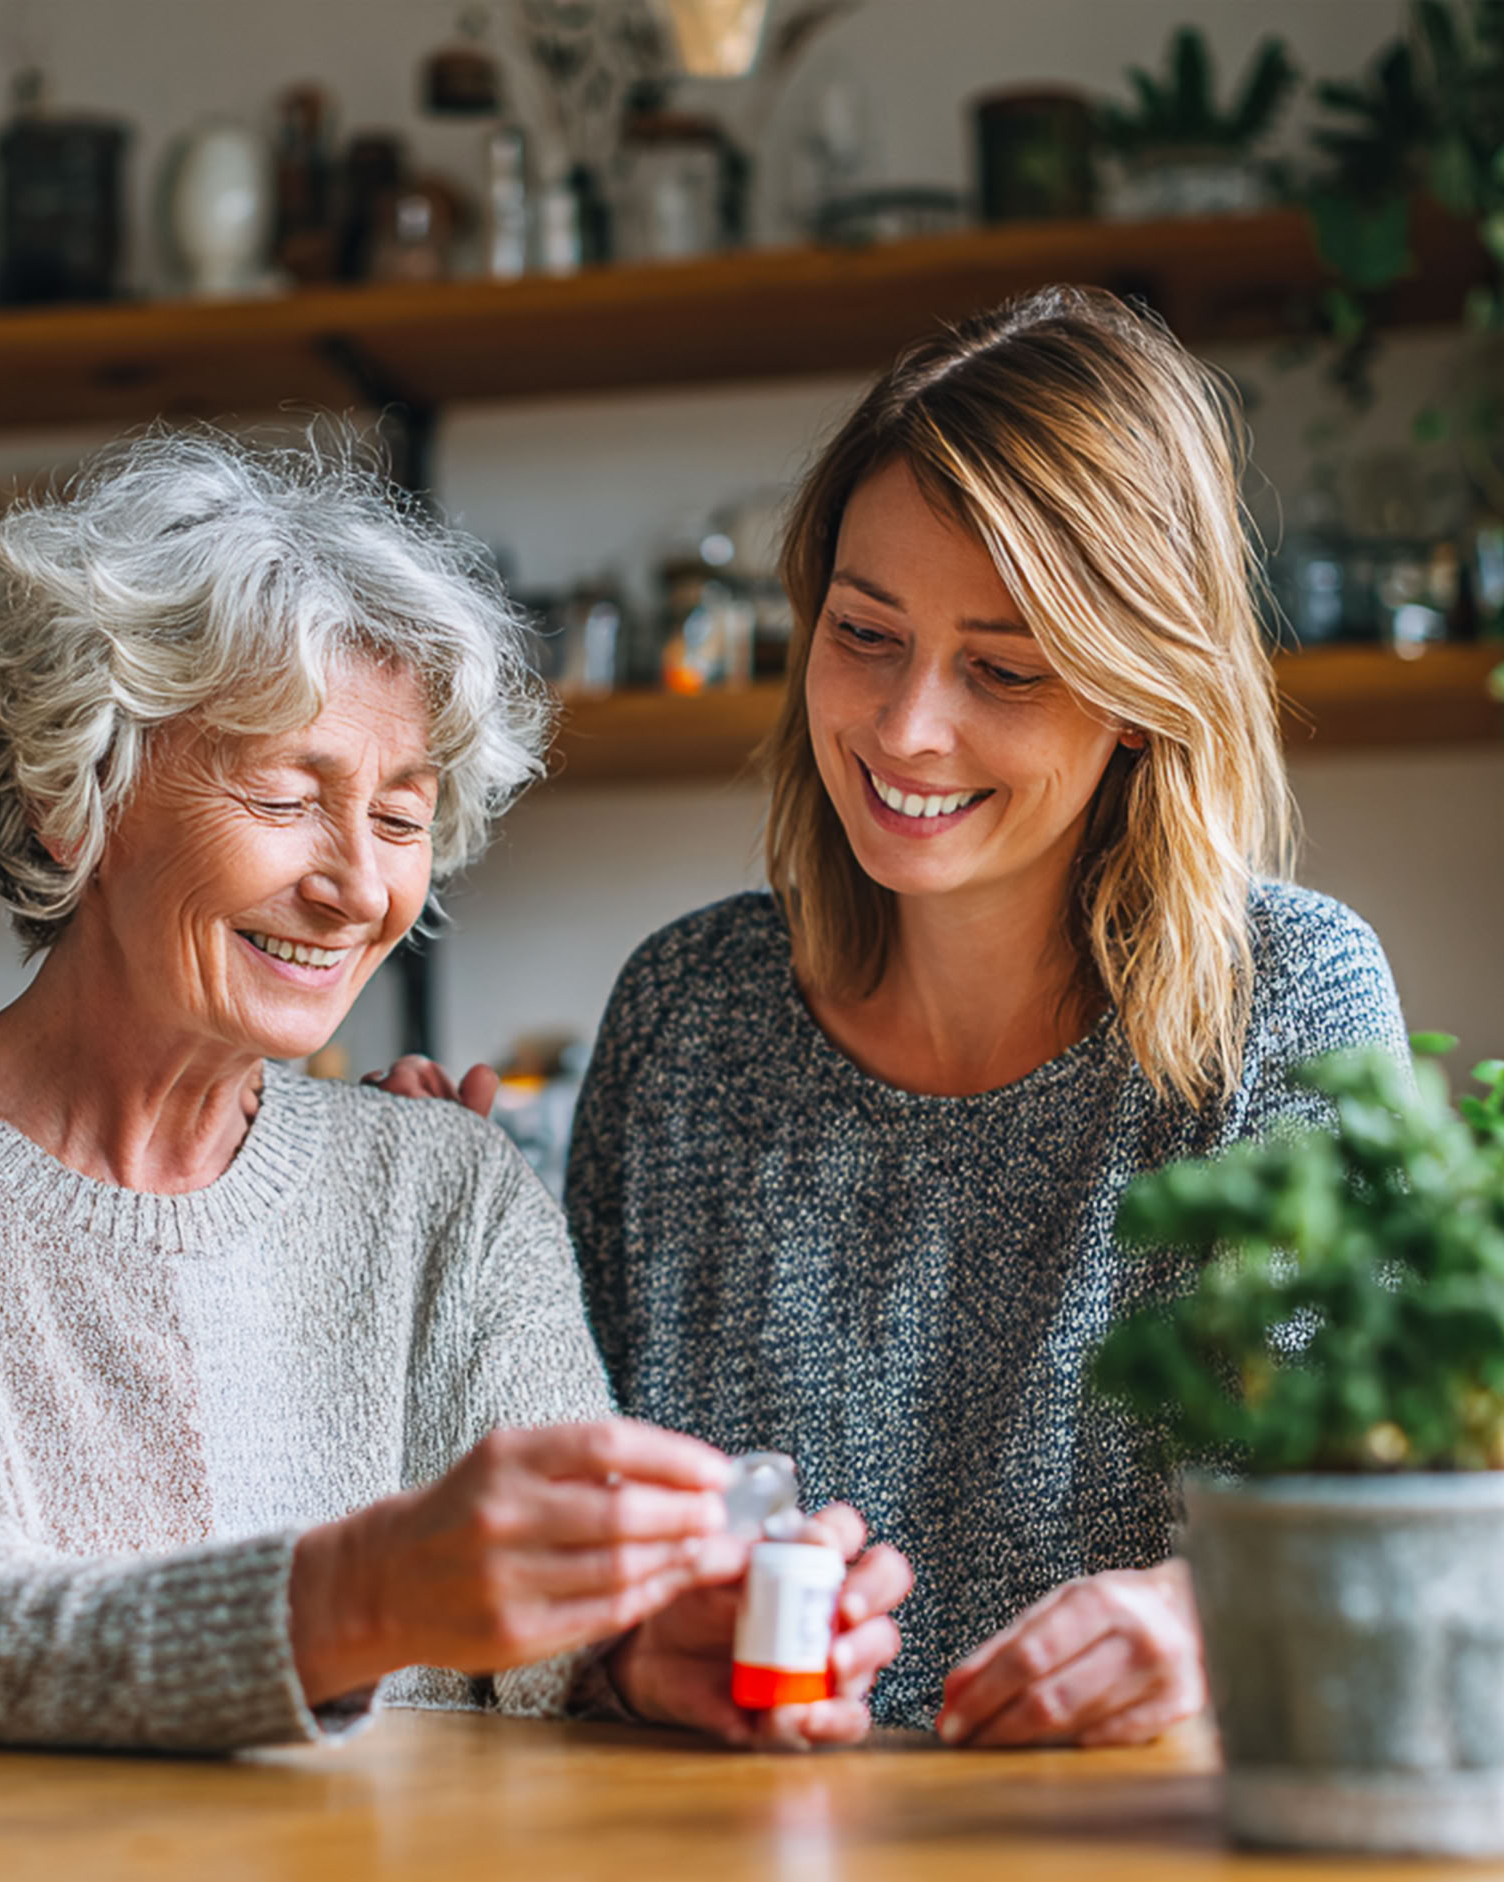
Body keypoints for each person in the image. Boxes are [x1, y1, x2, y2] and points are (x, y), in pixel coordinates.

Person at [0, 429, 909, 1754]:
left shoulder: (449, 1182)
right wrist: (358, 1592)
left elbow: (559, 1639)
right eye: (285, 795)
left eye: (399, 816)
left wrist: (646, 1647)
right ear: (62, 795)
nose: (359, 885)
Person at [386, 286, 1407, 1744]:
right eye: (866, 634)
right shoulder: (688, 1017)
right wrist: (458, 1273)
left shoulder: (1286, 1004)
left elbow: (1370, 1512)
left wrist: (1211, 1620)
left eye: (1002, 667)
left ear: (1139, 693)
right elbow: (569, 1613)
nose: (908, 725)